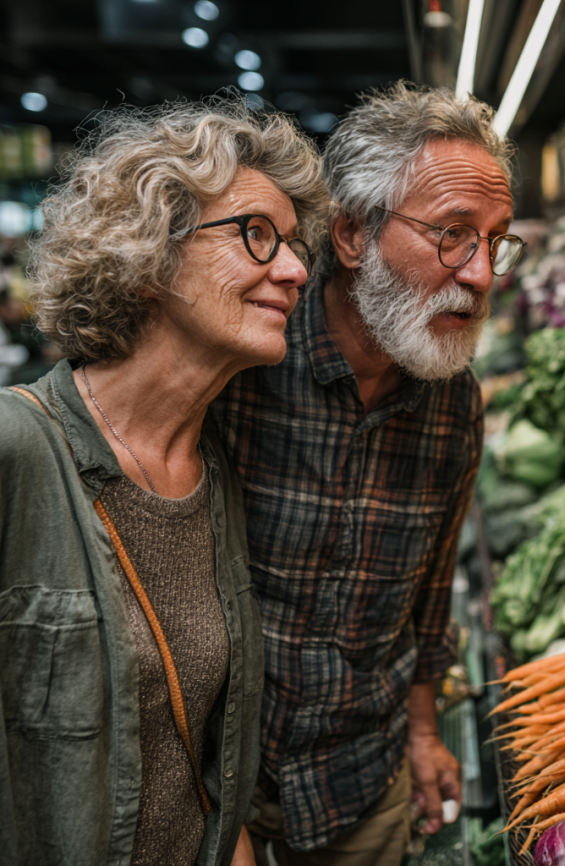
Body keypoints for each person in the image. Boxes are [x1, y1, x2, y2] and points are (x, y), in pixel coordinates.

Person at [0, 96, 327, 866]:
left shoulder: (214, 471)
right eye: (256, 235)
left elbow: (196, 776)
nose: (295, 268)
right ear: (147, 254)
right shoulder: (16, 451)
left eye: (291, 242)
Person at [210, 82, 523, 866]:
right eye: (453, 234)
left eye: (497, 240)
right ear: (352, 236)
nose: (482, 274)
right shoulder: (243, 364)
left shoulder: (454, 404)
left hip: (361, 778)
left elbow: (428, 596)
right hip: (214, 777)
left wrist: (423, 734)